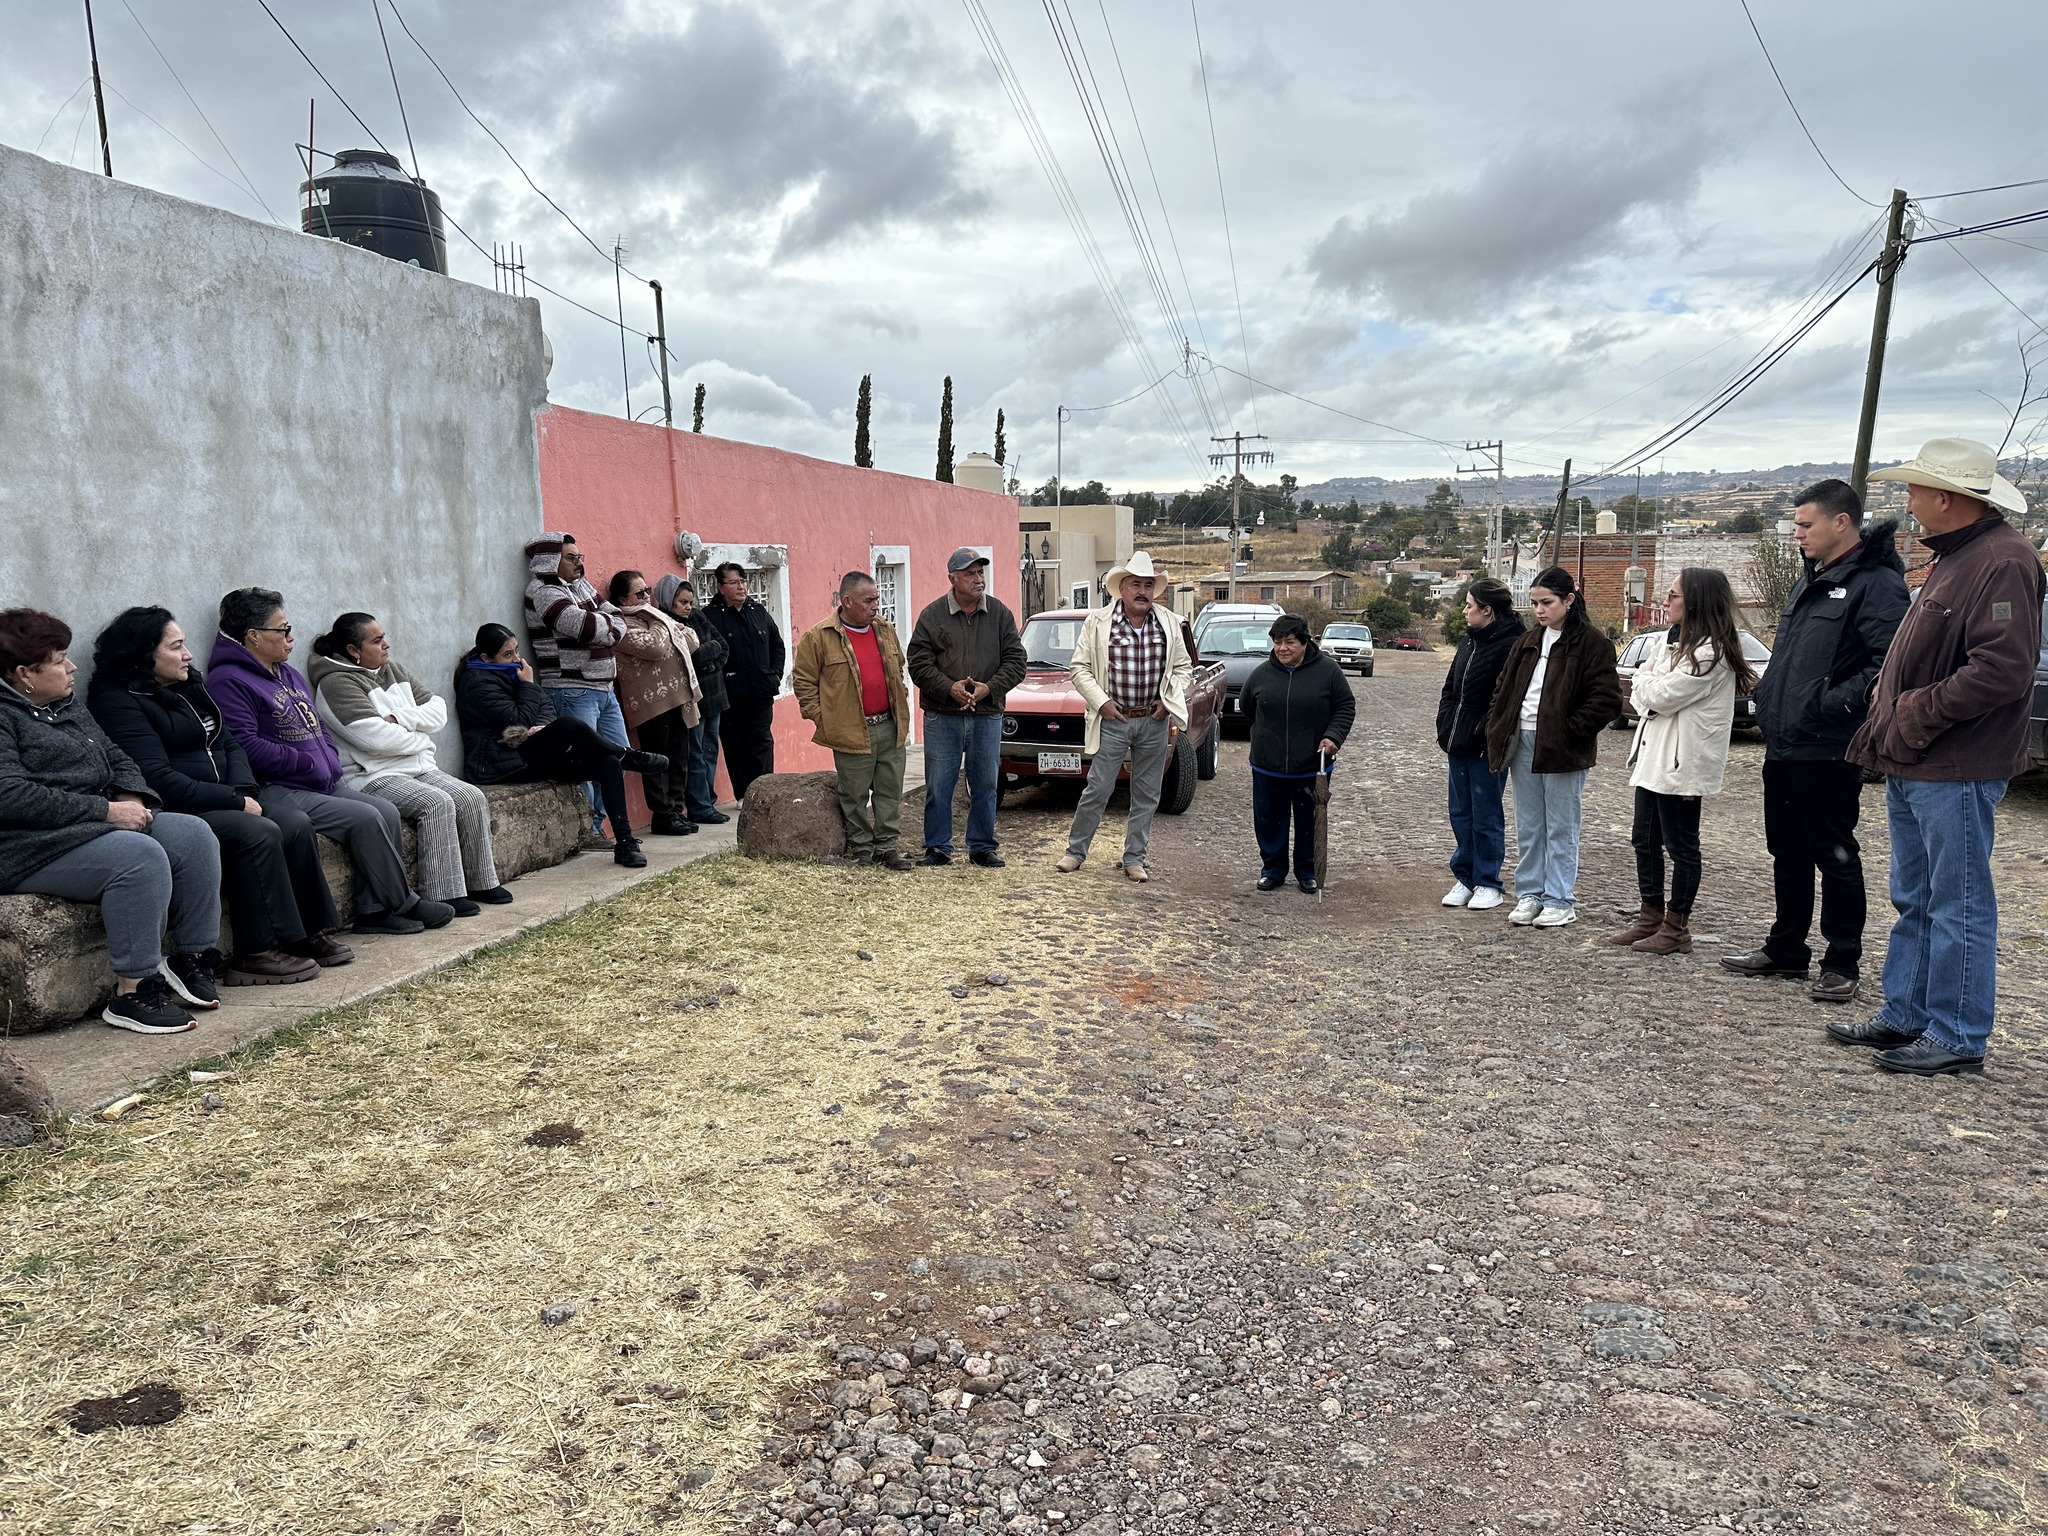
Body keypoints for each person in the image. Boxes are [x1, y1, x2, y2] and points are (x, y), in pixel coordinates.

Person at [1838, 439, 2046, 1076]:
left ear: (1948, 498)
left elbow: (2003, 670)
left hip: (1953, 761)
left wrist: (1912, 711)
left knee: (1956, 900)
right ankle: (1906, 1012)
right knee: (1917, 895)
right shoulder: (1963, 556)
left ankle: (1956, 1034)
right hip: (1918, 759)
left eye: (1916, 489)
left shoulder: (2002, 561)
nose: (1908, 500)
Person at [88, 606, 347, 987]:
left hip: (227, 794)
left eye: (185, 645)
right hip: (180, 807)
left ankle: (304, 934)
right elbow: (155, 777)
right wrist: (233, 800)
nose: (188, 655)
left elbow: (231, 744)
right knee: (256, 833)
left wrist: (242, 789)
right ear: (144, 654)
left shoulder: (190, 686)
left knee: (295, 823)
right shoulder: (119, 701)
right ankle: (255, 952)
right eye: (176, 647)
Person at [1720, 480, 1907, 1002]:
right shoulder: (1811, 580)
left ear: (1841, 522)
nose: (1796, 534)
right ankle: (1786, 949)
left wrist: (1827, 705)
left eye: (1805, 524)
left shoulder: (1876, 584)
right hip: (1785, 741)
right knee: (1787, 850)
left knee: (1835, 853)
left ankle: (1842, 959)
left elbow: (1886, 666)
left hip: (1829, 743)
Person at [0, 609, 224, 1033]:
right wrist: (105, 811)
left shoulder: (62, 703)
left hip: (92, 824)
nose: (72, 666)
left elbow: (117, 755)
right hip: (29, 845)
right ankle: (132, 991)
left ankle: (191, 957)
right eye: (60, 659)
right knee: (137, 857)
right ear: (26, 672)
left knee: (193, 834)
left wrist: (130, 796)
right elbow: (10, 796)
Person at [208, 587, 454, 935]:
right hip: (276, 788)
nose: (292, 637)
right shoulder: (228, 681)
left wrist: (327, 759)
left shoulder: (287, 673)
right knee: (366, 816)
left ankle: (374, 912)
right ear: (254, 636)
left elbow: (317, 726)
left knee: (384, 810)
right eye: (283, 630)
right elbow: (244, 744)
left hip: (321, 781)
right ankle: (404, 902)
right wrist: (306, 763)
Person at [307, 612, 513, 917]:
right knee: (436, 802)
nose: (386, 645)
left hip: (417, 767)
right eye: (377, 641)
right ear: (354, 651)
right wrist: (421, 738)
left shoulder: (393, 670)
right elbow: (374, 739)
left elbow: (438, 710)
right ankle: (445, 893)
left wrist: (401, 719)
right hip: (372, 775)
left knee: (471, 797)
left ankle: (481, 881)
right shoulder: (336, 684)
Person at [1605, 569, 1755, 955]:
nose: (1665, 601)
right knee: (1644, 839)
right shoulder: (1671, 642)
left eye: (1673, 595)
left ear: (1696, 602)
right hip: (1655, 756)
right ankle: (1650, 914)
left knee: (1681, 846)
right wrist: (1646, 684)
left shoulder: (1712, 652)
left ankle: (1677, 927)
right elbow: (1643, 691)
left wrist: (1645, 683)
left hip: (1682, 762)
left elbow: (1662, 695)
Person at [453, 624, 665, 869]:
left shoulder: (513, 674)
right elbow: (518, 720)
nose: (518, 659)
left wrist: (540, 726)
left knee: (607, 763)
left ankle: (626, 843)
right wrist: (528, 686)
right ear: (486, 658)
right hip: (498, 762)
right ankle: (626, 755)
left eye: (516, 651)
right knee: (569, 726)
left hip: (528, 753)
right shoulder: (477, 683)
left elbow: (545, 708)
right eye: (507, 655)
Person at [1483, 566, 1621, 928]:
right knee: (1529, 825)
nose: (1539, 610)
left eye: (1546, 602)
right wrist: (1500, 723)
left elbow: (1606, 700)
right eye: (1534, 603)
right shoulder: (1527, 641)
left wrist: (1570, 731)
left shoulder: (1593, 643)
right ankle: (1529, 895)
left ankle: (1560, 898)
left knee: (1561, 825)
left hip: (1563, 748)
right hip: (1523, 742)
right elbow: (1503, 688)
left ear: (1569, 600)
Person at [1056, 552, 1194, 882]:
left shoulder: (1170, 623)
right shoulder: (1098, 622)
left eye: (1148, 585)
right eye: (1136, 584)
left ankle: (1134, 858)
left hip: (1154, 720)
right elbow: (1079, 668)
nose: (1142, 591)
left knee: (1147, 793)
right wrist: (1101, 702)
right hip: (1113, 720)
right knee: (1098, 788)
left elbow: (1184, 668)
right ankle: (1075, 852)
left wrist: (1168, 700)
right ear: (1122, 588)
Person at [906, 548, 1027, 867]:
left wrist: (990, 688)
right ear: (952, 578)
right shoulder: (932, 615)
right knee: (939, 784)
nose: (978, 579)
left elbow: (1017, 661)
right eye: (970, 573)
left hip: (987, 715)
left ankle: (982, 846)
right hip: (943, 715)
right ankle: (937, 847)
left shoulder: (1000, 614)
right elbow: (918, 663)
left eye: (980, 572)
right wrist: (950, 688)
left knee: (986, 784)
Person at [793, 571, 915, 870]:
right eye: (868, 600)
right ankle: (861, 848)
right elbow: (803, 682)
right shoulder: (819, 637)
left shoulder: (884, 629)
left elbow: (898, 667)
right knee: (854, 794)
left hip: (889, 725)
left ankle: (887, 847)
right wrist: (825, 720)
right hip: (850, 730)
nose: (876, 605)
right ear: (847, 601)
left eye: (877, 598)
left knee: (889, 790)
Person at [523, 532, 628, 845]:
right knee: (585, 764)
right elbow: (582, 627)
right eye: (571, 557)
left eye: (579, 556)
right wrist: (604, 624)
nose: (579, 563)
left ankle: (597, 825)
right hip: (571, 690)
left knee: (618, 757)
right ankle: (588, 832)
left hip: (603, 691)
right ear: (550, 560)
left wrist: (604, 625)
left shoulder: (580, 586)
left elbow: (619, 620)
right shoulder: (543, 591)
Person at [1241, 612, 1355, 893]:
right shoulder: (1261, 673)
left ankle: (1307, 871)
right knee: (1269, 821)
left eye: (1289, 642)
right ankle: (1272, 869)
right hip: (1268, 765)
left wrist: (1332, 736)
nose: (1282, 648)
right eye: (1278, 642)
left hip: (1312, 765)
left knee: (1309, 821)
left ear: (1305, 642)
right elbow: (1248, 707)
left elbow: (1345, 707)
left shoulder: (1328, 671)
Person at [1436, 578, 1524, 911]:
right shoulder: (1468, 641)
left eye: (1470, 605)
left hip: (1486, 746)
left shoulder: (1513, 644)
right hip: (1457, 743)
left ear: (1488, 610)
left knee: (1486, 815)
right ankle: (1466, 877)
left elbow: (1505, 700)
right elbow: (1451, 689)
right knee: (1460, 813)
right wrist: (1445, 724)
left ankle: (1489, 882)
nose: (1464, 611)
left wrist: (1485, 732)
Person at [607, 570, 701, 837]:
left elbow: (693, 639)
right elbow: (654, 647)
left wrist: (658, 621)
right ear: (623, 598)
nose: (647, 597)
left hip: (677, 698)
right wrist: (662, 621)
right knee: (658, 760)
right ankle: (662, 816)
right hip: (650, 703)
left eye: (647, 590)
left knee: (679, 758)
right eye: (640, 593)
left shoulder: (650, 617)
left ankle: (676, 813)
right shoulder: (621, 623)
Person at [702, 561, 786, 803]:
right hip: (729, 695)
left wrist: (774, 675)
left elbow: (777, 645)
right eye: (733, 582)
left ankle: (765, 793)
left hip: (760, 691)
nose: (741, 587)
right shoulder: (710, 618)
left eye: (742, 581)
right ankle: (744, 795)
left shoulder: (757, 611)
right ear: (720, 587)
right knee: (736, 745)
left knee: (761, 742)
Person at [664, 575, 729, 824]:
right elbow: (687, 658)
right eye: (682, 602)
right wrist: (705, 657)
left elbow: (722, 646)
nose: (688, 607)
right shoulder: (667, 623)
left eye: (690, 601)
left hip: (715, 695)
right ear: (669, 601)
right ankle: (699, 806)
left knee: (711, 750)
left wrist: (709, 663)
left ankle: (708, 801)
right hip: (693, 700)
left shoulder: (698, 618)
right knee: (696, 753)